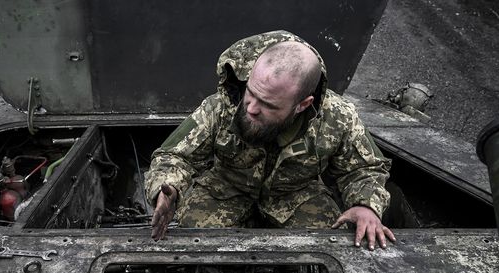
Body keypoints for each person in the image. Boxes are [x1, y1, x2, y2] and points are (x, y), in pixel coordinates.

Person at [144, 31, 395, 250]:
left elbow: (364, 169)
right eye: (251, 93)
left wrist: (366, 206)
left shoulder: (338, 117)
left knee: (336, 242)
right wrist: (167, 188)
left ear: (302, 105)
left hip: (297, 196)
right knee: (191, 241)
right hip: (225, 189)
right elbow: (174, 156)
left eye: (268, 104)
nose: (251, 108)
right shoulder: (221, 107)